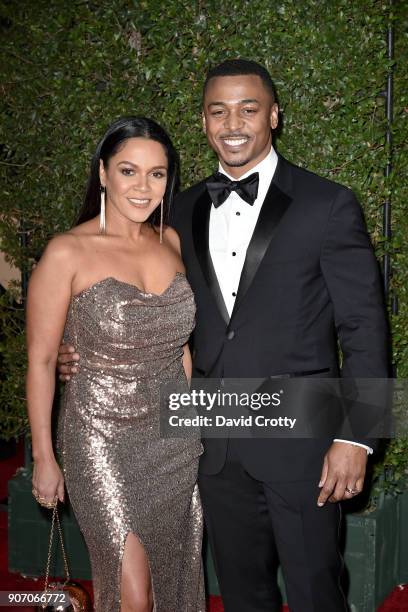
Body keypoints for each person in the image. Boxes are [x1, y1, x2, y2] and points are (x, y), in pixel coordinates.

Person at [58, 60, 389, 612]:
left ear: (274, 116)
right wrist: (85, 354)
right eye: (218, 111)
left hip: (303, 430)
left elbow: (364, 326)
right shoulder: (177, 211)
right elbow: (143, 304)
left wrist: (357, 437)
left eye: (248, 108)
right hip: (211, 431)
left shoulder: (328, 203)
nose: (232, 123)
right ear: (205, 122)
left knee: (315, 592)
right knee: (240, 594)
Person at [26, 116, 205, 612]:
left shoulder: (169, 241)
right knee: (131, 590)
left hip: (173, 440)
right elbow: (41, 361)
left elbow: (180, 347)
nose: (143, 187)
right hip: (100, 438)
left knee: (171, 575)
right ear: (103, 173)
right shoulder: (67, 252)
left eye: (157, 173)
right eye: (129, 171)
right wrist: (44, 455)